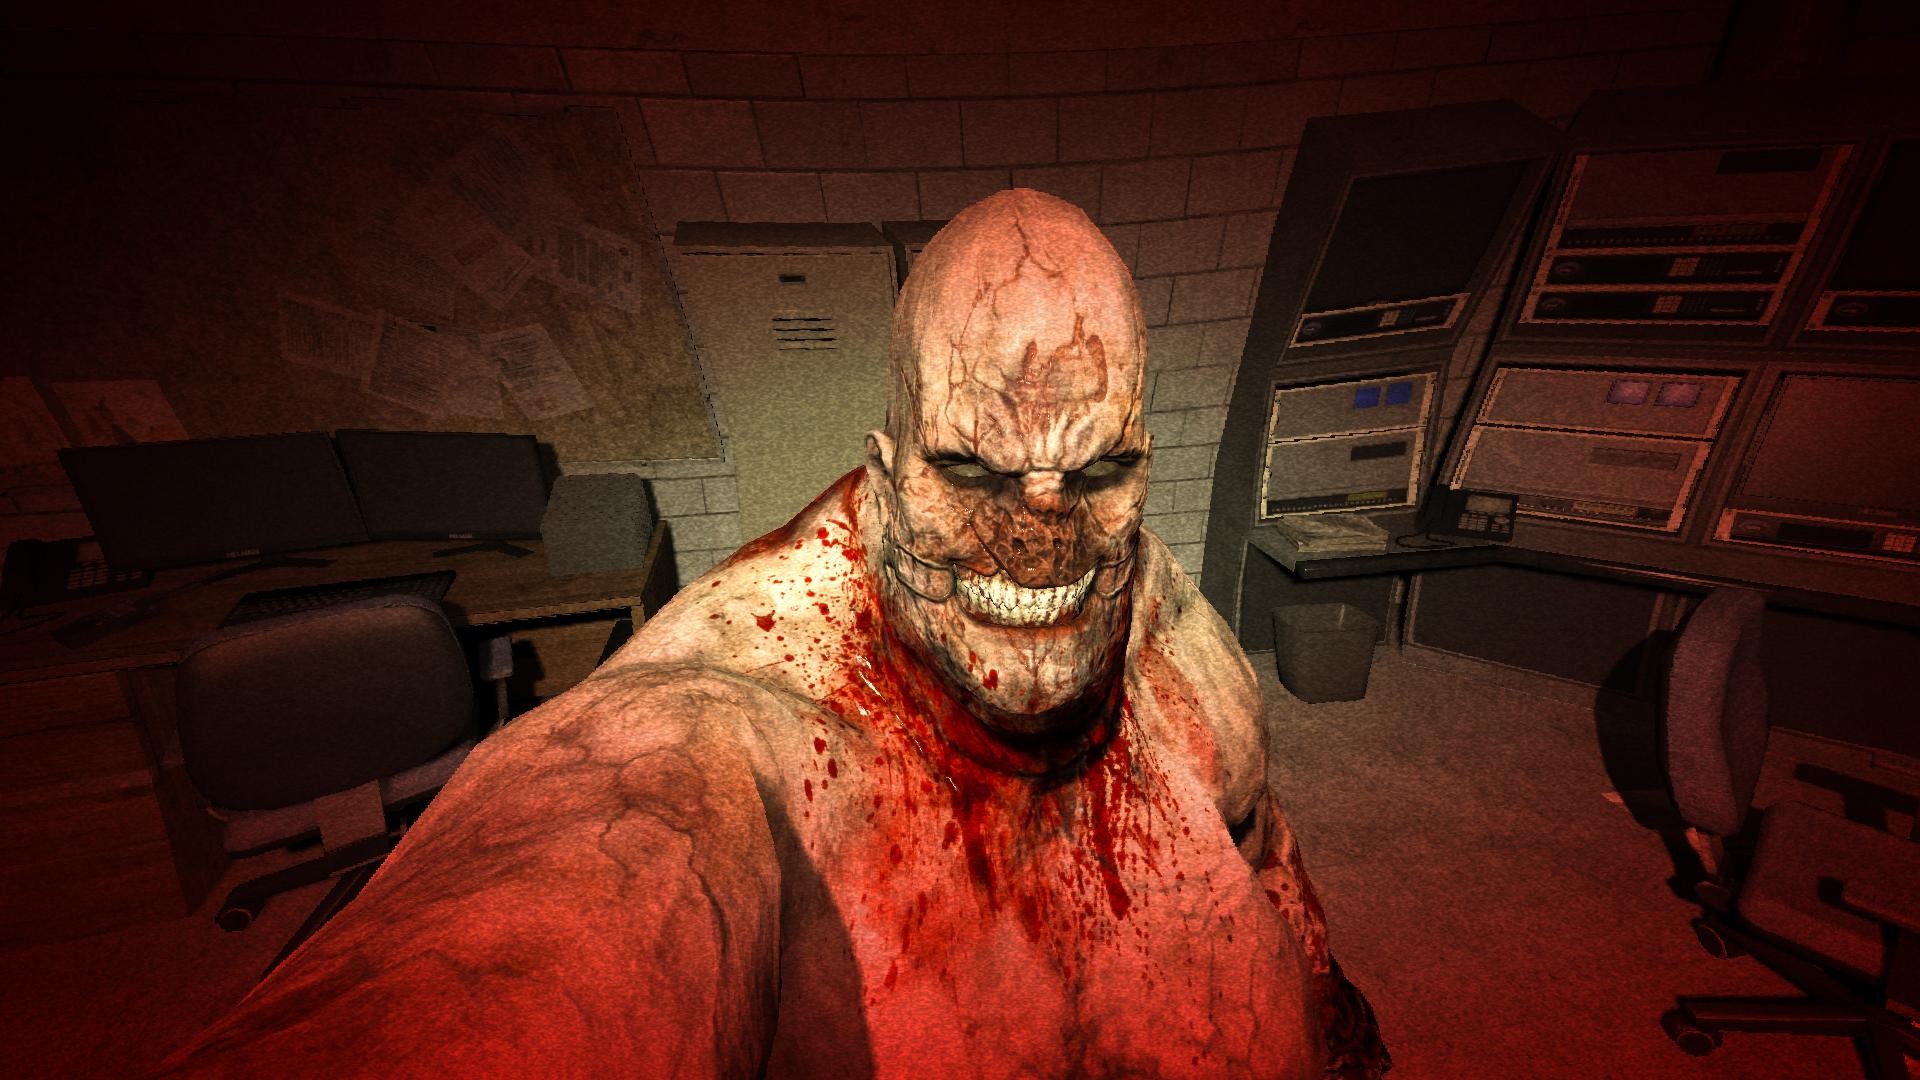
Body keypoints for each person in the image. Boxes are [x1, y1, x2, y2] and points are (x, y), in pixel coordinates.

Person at [158, 188, 1389, 1078]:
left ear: (1140, 464)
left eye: (1098, 470)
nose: (1038, 537)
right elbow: (549, 920)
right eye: (970, 470)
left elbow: (1266, 843)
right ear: (888, 472)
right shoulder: (728, 727)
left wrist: (1324, 1010)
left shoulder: (1158, 610)